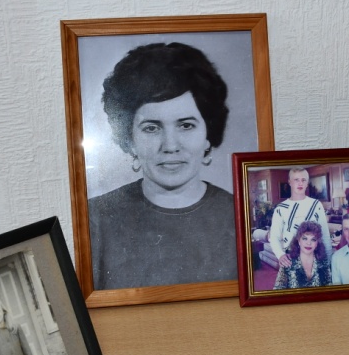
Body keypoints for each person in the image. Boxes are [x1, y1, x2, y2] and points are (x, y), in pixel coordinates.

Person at [88, 42, 238, 290]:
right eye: (151, 128)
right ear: (130, 140)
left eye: (186, 125)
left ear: (208, 134)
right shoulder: (94, 219)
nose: (170, 146)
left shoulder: (243, 216)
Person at [267, 167, 333, 268]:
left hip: (314, 259)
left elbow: (325, 235)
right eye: (296, 180)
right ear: (290, 182)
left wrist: (329, 261)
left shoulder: (316, 205)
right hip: (291, 259)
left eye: (303, 180)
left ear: (307, 183)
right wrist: (280, 255)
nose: (300, 183)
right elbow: (274, 237)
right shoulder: (280, 208)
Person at [273, 221, 332, 289]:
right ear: (299, 241)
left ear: (317, 243)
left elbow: (329, 289)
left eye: (313, 239)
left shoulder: (323, 262)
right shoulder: (288, 262)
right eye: (305, 238)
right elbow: (278, 290)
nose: (308, 243)